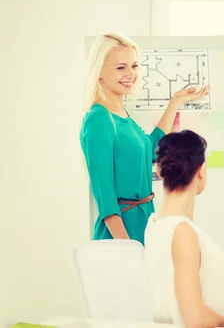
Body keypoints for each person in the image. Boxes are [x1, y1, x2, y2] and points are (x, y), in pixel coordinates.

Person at [80, 33, 209, 245]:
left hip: (142, 224)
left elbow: (151, 148)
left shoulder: (121, 115)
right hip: (120, 233)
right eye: (121, 67)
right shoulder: (99, 119)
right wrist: (128, 248)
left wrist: (176, 101)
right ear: (100, 71)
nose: (131, 74)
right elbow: (105, 196)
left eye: (134, 66)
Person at [145, 130, 224, 327]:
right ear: (201, 171)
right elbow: (195, 319)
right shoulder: (182, 232)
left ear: (158, 170)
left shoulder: (154, 224)